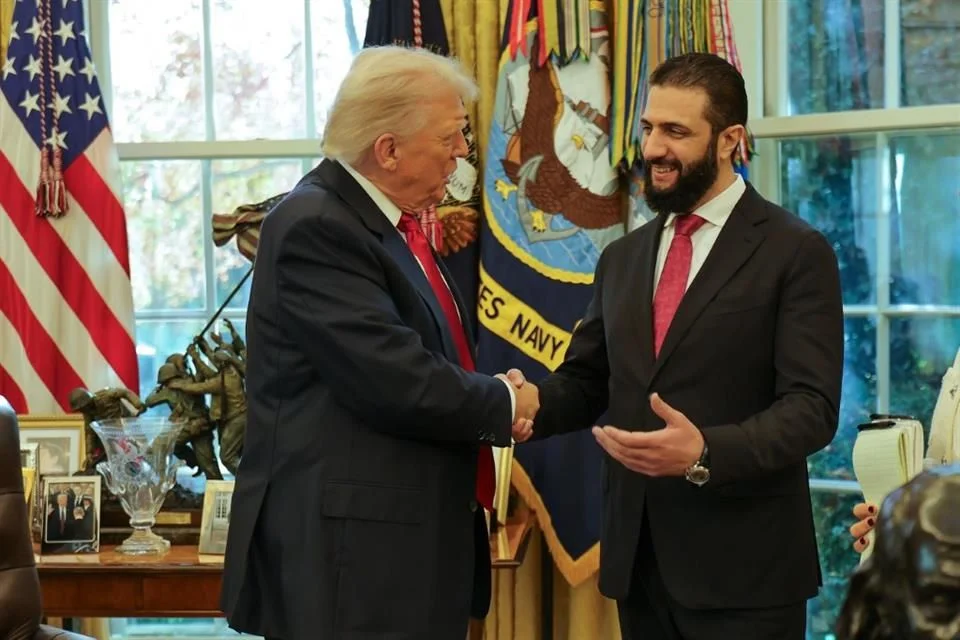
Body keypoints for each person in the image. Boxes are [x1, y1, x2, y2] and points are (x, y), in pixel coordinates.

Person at [509, 52, 844, 639]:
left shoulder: (795, 251)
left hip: (747, 575)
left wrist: (704, 452)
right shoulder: (623, 257)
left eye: (676, 132)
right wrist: (532, 402)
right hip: (638, 564)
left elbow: (811, 409)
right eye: (648, 128)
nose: (654, 148)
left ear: (730, 140)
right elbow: (588, 382)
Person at [218, 45, 538, 640]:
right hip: (351, 568)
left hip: (396, 555)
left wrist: (494, 393)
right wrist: (503, 400)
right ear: (388, 150)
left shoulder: (390, 228)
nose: (463, 151)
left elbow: (427, 358)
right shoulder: (316, 225)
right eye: (450, 136)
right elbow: (395, 378)